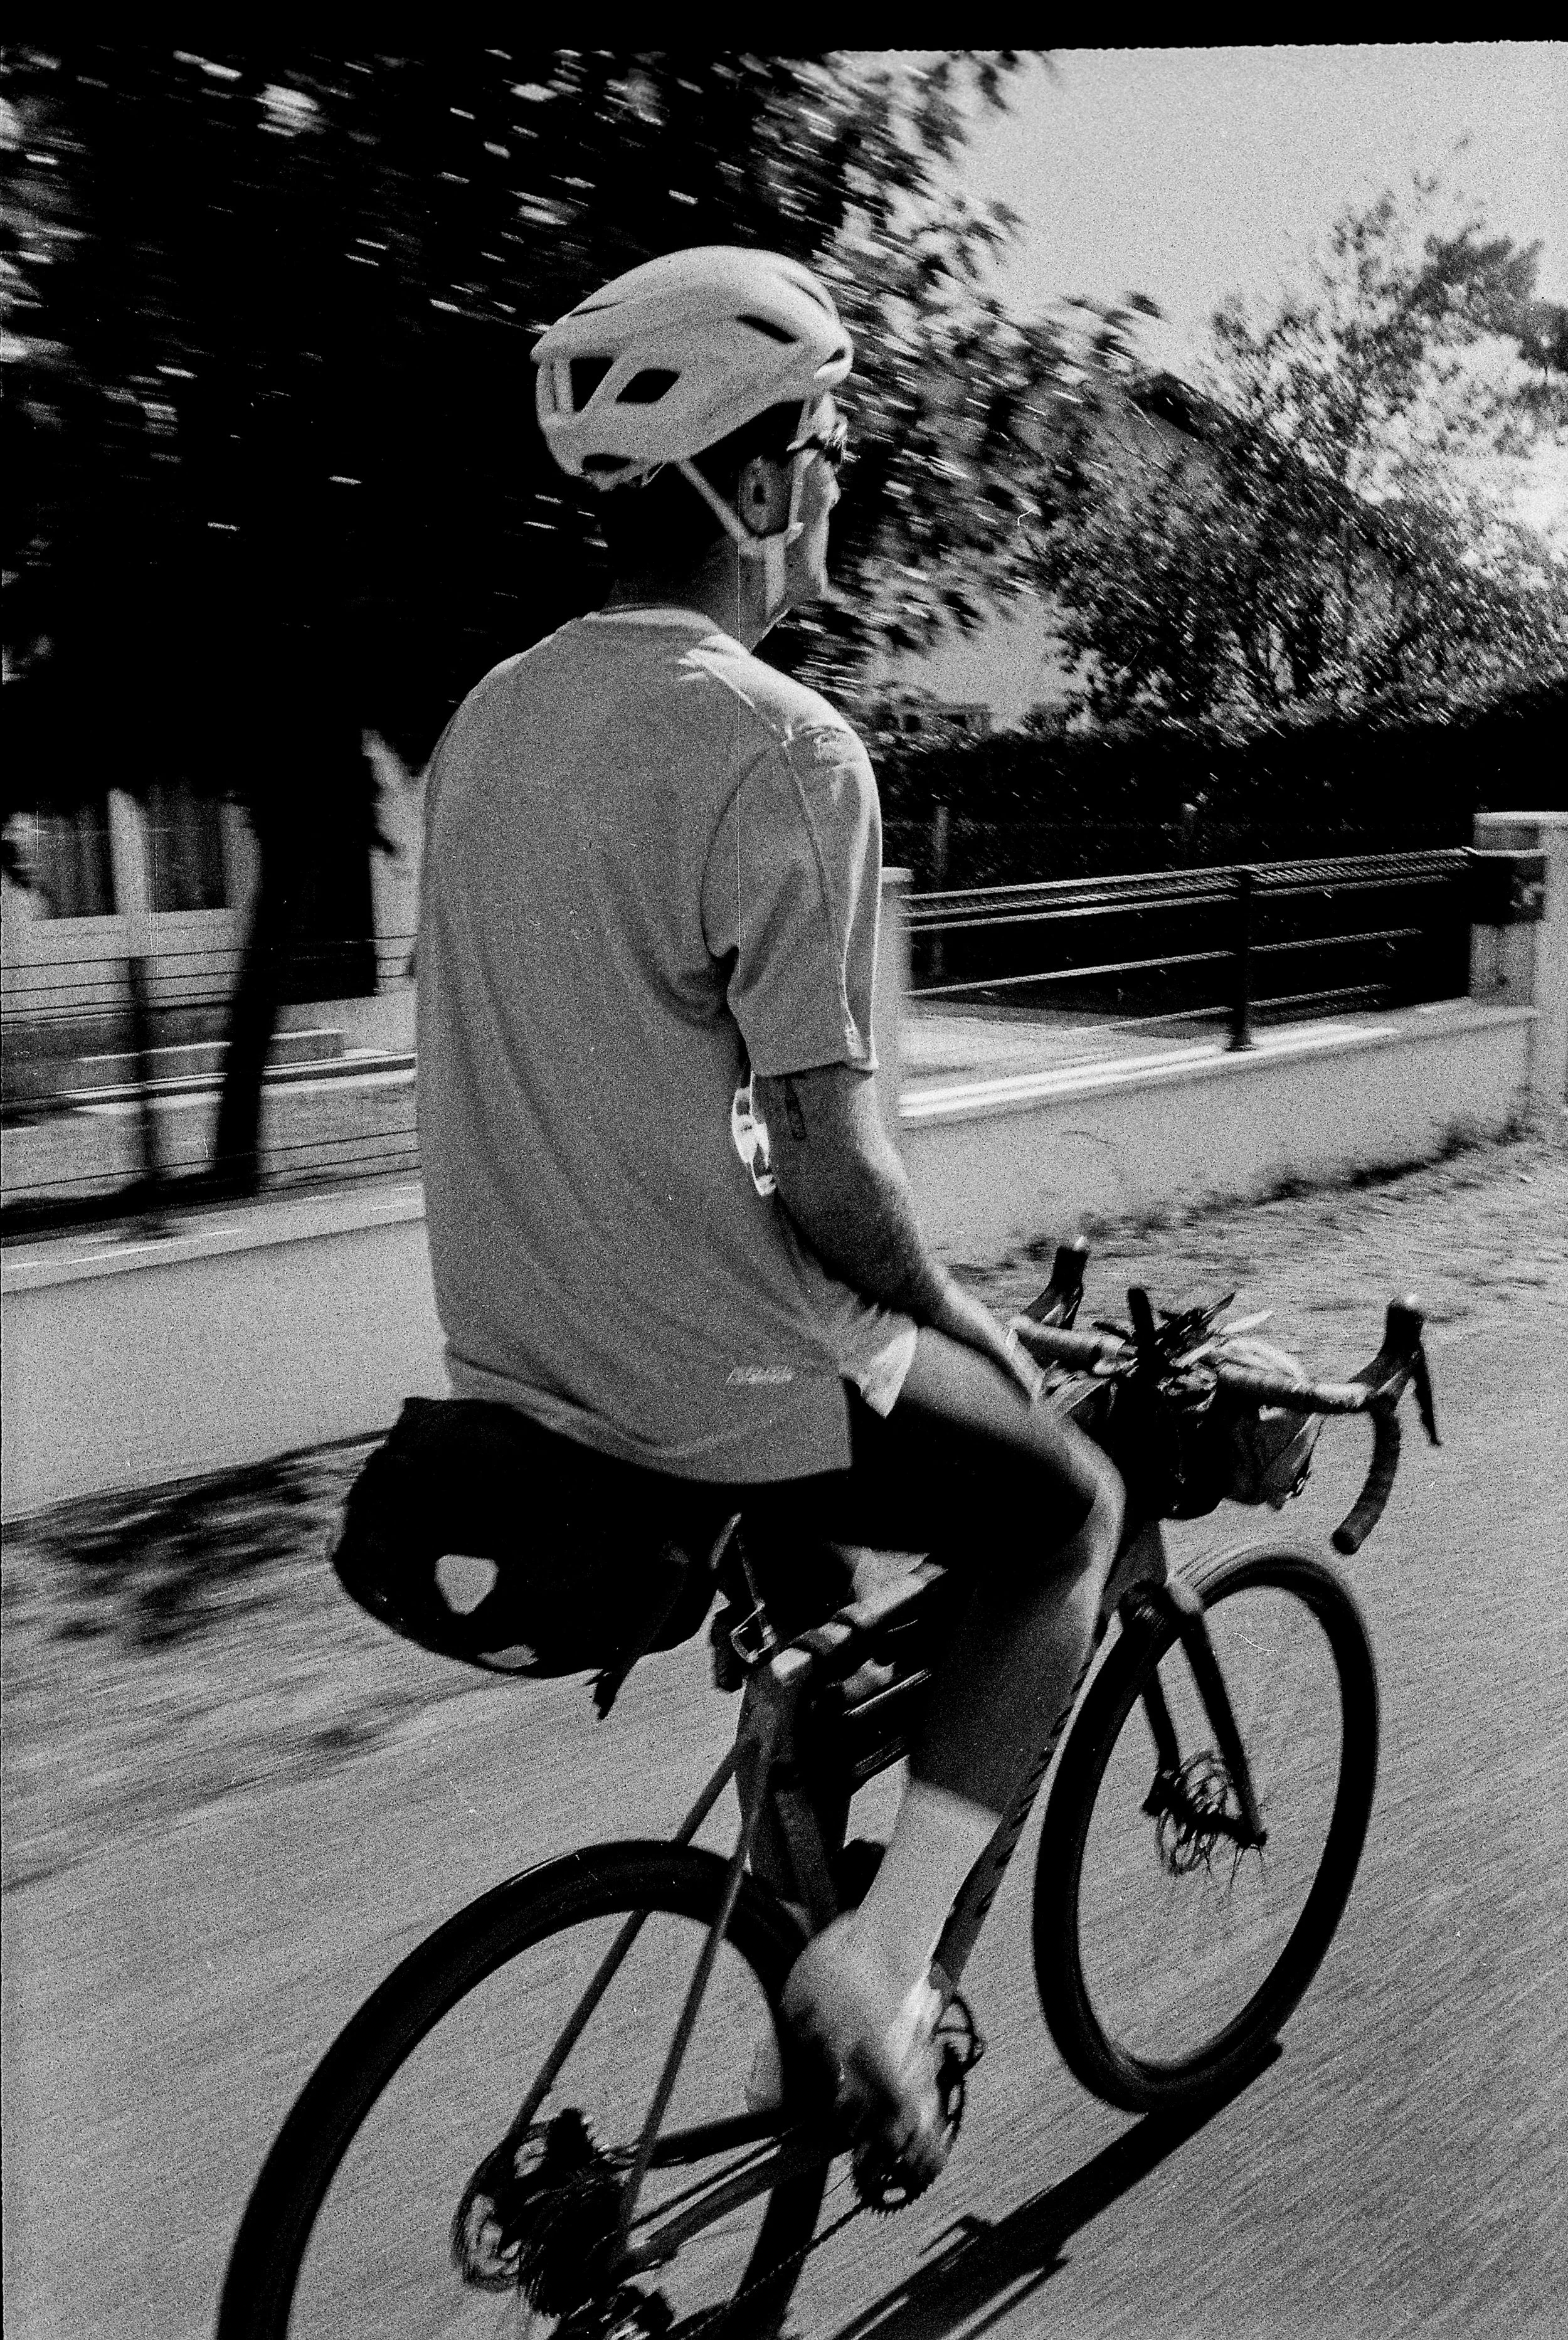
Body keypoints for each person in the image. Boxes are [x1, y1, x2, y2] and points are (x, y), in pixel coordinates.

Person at [343, 246, 1123, 2186]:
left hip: (523, 1374)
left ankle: (797, 1923)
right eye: (832, 450)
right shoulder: (781, 743)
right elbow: (837, 1164)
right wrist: (967, 1322)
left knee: (825, 1625)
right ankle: (870, 1965)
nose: (840, 486)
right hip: (726, 1380)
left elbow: (615, 1064)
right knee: (1064, 1513)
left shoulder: (492, 724)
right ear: (758, 486)